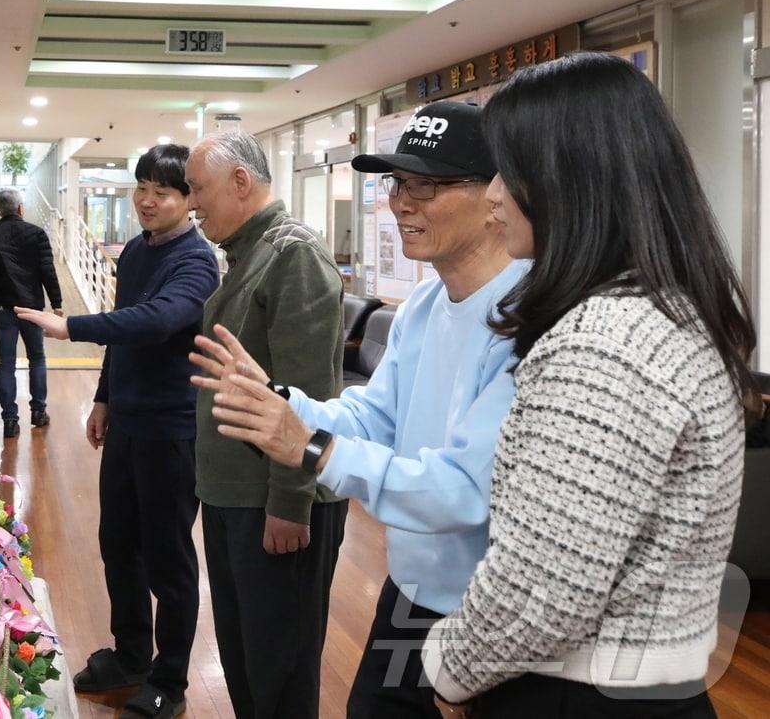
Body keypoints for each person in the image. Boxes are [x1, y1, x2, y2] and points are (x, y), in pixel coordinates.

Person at [415, 52, 754, 717]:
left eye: (507, 174)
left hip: (578, 694)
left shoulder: (606, 342)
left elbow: (542, 590)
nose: (492, 197)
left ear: (568, 179)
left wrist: (447, 669)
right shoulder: (667, 309)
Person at [191, 101, 527, 718]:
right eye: (399, 183)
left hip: (489, 609)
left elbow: (464, 492)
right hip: (411, 590)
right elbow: (374, 417)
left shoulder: (527, 319)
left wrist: (309, 450)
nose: (402, 202)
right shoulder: (424, 307)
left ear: (497, 194)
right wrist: (282, 404)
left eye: (427, 185)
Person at [15, 144, 218, 719]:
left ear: (188, 201)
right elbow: (124, 336)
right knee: (118, 545)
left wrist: (69, 325)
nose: (148, 201)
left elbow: (155, 323)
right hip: (128, 424)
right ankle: (131, 655)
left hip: (173, 431)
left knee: (168, 559)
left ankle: (171, 681)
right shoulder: (134, 251)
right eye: (143, 188)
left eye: (164, 192)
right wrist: (104, 397)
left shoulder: (195, 261)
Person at [182, 131, 347, 719]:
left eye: (198, 189)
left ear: (241, 182)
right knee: (247, 660)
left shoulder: (292, 254)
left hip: (273, 500)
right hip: (235, 494)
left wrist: (291, 501)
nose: (192, 203)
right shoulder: (249, 254)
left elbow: (310, 397)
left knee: (279, 668)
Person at [0, 187, 63, 438]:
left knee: (6, 365)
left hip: (3, 310)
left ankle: (10, 421)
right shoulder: (36, 234)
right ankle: (38, 412)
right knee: (37, 358)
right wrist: (56, 303)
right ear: (21, 208)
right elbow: (48, 270)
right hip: (32, 309)